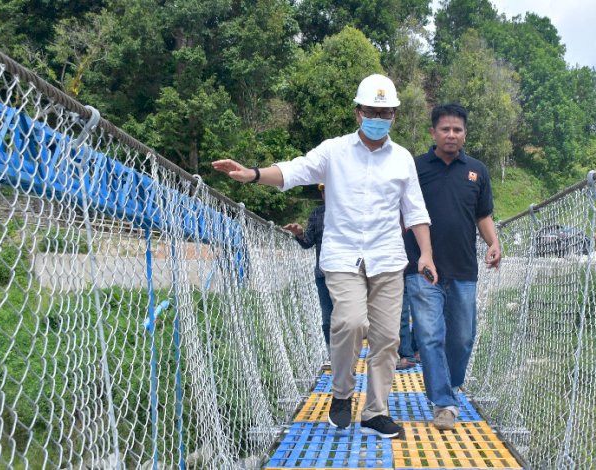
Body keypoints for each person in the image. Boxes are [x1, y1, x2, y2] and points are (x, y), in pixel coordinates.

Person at [212, 74, 437, 440]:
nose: (379, 117)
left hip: (388, 259)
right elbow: (294, 170)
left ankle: (376, 411)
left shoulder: (402, 159)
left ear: (395, 116)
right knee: (349, 322)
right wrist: (252, 174)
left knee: (387, 339)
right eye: (372, 110)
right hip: (343, 256)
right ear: (358, 113)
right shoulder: (334, 151)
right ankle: (342, 393)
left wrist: (426, 253)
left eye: (387, 112)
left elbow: (415, 211)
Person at [402, 103, 500, 431]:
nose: (451, 135)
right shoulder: (414, 168)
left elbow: (482, 215)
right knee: (430, 335)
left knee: (462, 337)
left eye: (457, 130)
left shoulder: (477, 170)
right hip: (422, 268)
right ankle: (443, 402)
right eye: (445, 129)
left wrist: (493, 243)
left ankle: (452, 385)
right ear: (433, 132)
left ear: (465, 134)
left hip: (463, 268)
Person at [283, 184, 332, 352]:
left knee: (349, 318)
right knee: (327, 318)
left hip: (348, 273)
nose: (327, 193)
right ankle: (334, 358)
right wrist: (299, 234)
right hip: (323, 274)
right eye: (324, 190)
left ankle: (348, 356)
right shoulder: (317, 213)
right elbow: (307, 242)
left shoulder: (351, 212)